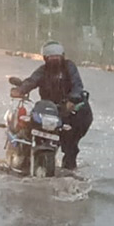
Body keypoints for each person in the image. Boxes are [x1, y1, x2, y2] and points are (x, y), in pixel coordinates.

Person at [11, 41, 92, 170]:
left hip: (75, 112)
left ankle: (69, 171)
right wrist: (20, 90)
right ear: (45, 58)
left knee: (70, 145)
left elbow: (78, 86)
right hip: (51, 110)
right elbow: (32, 81)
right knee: (29, 127)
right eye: (50, 56)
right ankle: (23, 160)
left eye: (57, 56)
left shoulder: (69, 67)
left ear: (63, 56)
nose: (54, 59)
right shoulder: (43, 71)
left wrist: (72, 100)